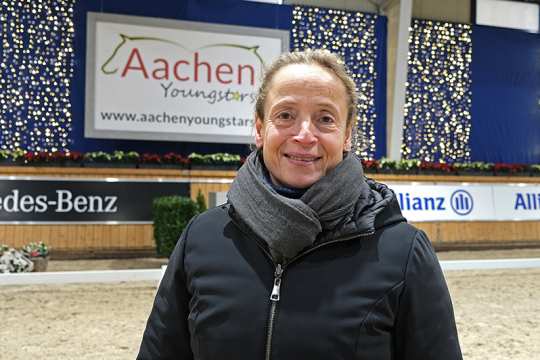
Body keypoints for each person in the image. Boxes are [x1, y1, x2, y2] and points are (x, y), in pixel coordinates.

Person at [137, 49, 462, 360]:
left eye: (324, 118)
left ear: (347, 135)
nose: (305, 135)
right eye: (286, 115)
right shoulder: (201, 238)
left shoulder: (404, 252)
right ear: (260, 129)